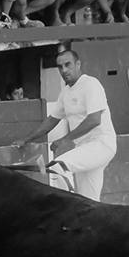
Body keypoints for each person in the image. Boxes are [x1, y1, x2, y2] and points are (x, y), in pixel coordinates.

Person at [15, 49, 117, 201]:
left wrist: (65, 139)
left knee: (58, 167)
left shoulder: (91, 84)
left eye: (67, 65)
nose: (64, 70)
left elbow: (94, 119)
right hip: (84, 147)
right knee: (88, 200)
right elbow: (51, 120)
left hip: (101, 144)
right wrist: (26, 139)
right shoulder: (65, 92)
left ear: (78, 64)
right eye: (60, 67)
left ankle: (62, 208)